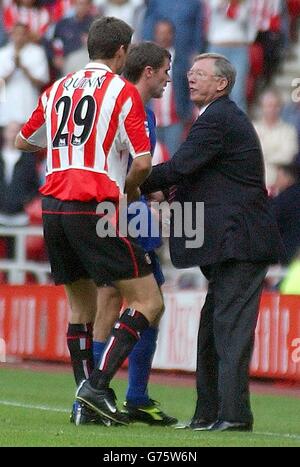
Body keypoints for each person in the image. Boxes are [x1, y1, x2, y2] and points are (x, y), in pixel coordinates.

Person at [15, 16, 164, 426]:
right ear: (121, 52)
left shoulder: (57, 88)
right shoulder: (122, 91)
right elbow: (143, 162)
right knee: (149, 301)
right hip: (93, 202)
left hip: (53, 206)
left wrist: (62, 147)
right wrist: (129, 190)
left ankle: (84, 406)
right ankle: (96, 387)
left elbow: (21, 140)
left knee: (80, 307)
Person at [141, 52, 285, 432]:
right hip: (230, 242)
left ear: (221, 84)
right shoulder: (216, 119)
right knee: (212, 328)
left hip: (242, 242)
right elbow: (197, 178)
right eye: (189, 73)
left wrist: (126, 182)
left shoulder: (218, 119)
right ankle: (208, 413)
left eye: (200, 74)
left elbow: (179, 167)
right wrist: (166, 191)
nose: (189, 79)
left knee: (229, 329)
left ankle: (234, 416)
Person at [70, 41, 177, 427]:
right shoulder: (130, 104)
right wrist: (139, 193)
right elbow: (138, 166)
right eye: (166, 69)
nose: (169, 77)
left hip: (104, 208)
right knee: (146, 300)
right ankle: (114, 394)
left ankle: (100, 397)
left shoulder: (111, 98)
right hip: (124, 211)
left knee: (109, 297)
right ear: (147, 70)